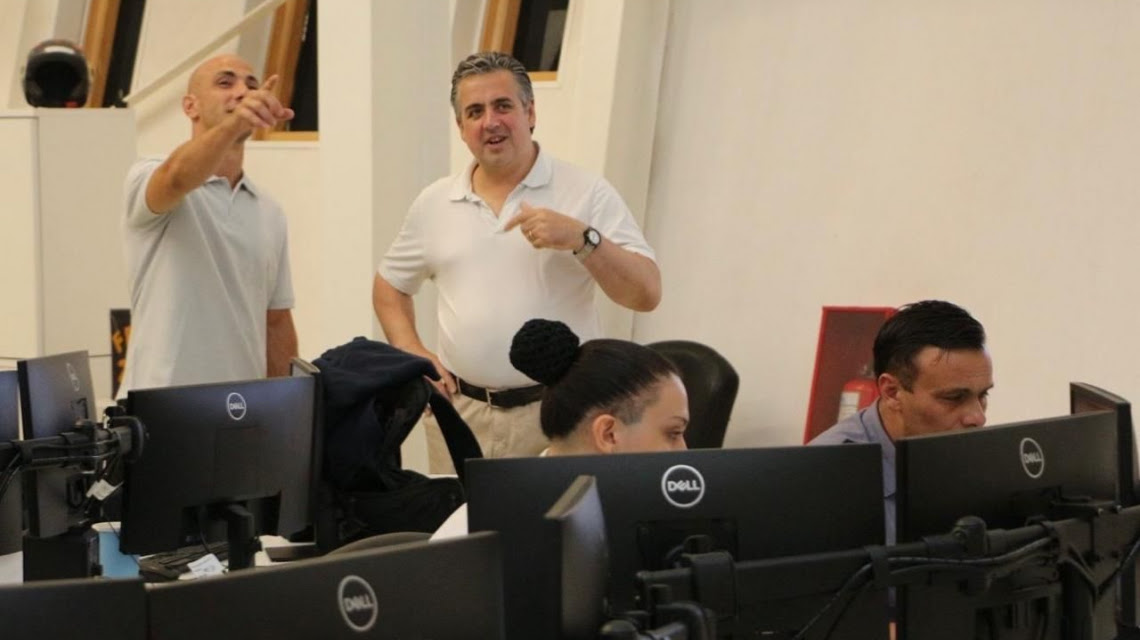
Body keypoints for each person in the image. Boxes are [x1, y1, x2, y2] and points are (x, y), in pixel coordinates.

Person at [373, 51, 661, 472]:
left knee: (560, 517)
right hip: (460, 414)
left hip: (558, 413)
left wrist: (583, 239)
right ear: (461, 128)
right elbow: (389, 286)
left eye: (503, 106)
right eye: (475, 112)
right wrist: (412, 352)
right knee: (459, 517)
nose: (490, 121)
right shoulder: (434, 202)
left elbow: (646, 293)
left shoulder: (586, 192)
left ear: (530, 113)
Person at [118, 54, 298, 396]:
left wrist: (288, 405)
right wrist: (234, 124)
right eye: (225, 83)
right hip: (159, 405)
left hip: (239, 409)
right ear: (191, 106)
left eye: (251, 85)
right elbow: (176, 178)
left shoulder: (269, 210)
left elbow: (275, 321)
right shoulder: (148, 174)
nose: (243, 92)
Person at [432, 318, 689, 539]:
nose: (684, 451)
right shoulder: (480, 532)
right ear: (608, 434)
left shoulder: (650, 517)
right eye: (673, 433)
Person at [809, 300, 993, 543]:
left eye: (983, 395)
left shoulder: (962, 455)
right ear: (892, 392)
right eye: (954, 397)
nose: (978, 417)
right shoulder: (823, 480)